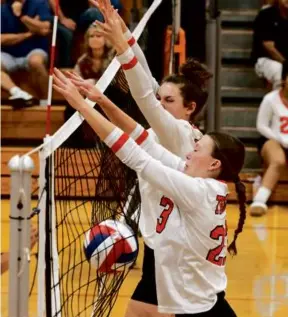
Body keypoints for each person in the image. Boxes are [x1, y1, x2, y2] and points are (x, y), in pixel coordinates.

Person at [53, 67, 246, 317]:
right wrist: (99, 100)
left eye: (197, 150)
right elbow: (143, 142)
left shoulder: (197, 190)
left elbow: (135, 156)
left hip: (197, 309)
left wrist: (83, 107)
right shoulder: (200, 181)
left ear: (214, 164)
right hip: (203, 302)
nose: (189, 152)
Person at [67, 1, 211, 316]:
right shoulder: (166, 135)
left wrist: (121, 45)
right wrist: (123, 36)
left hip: (175, 252)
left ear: (190, 108)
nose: (161, 105)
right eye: (162, 98)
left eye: (169, 101)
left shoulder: (179, 134)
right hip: (161, 246)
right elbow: (142, 99)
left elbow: (143, 93)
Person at [250, 61, 288, 216]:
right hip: (271, 139)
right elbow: (261, 126)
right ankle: (259, 200)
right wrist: (281, 139)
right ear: (284, 78)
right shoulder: (270, 99)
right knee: (278, 160)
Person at [1, 0, 51, 106]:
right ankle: (17, 92)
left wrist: (21, 16)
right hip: (8, 54)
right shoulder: (3, 9)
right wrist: (29, 33)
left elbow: (45, 28)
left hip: (35, 50)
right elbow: (1, 39)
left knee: (36, 62)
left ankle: (45, 102)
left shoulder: (39, 4)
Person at [49, 0, 122, 67]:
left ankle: (106, 58)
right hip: (61, 18)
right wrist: (63, 19)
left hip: (81, 15)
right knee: (67, 35)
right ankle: (66, 68)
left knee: (95, 13)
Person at [251, 0, 288, 89]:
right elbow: (269, 46)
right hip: (266, 60)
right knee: (279, 71)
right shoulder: (266, 15)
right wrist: (286, 63)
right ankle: (278, 101)